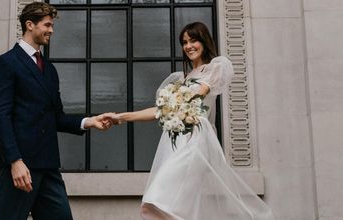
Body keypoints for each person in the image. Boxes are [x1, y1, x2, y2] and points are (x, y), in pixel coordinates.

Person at [112, 22, 274, 220]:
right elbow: (159, 111)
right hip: (175, 140)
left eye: (193, 40)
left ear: (204, 41)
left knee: (157, 201)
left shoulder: (215, 67)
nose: (188, 46)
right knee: (159, 206)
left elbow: (201, 92)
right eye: (184, 42)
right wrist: (120, 117)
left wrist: (175, 102)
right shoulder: (179, 79)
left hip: (197, 139)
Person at [0, 2, 114, 220]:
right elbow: (2, 117)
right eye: (47, 25)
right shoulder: (5, 63)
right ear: (30, 25)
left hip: (48, 165)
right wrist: (15, 161)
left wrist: (89, 121)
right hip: (20, 166)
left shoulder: (49, 68)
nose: (51, 30)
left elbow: (57, 117)